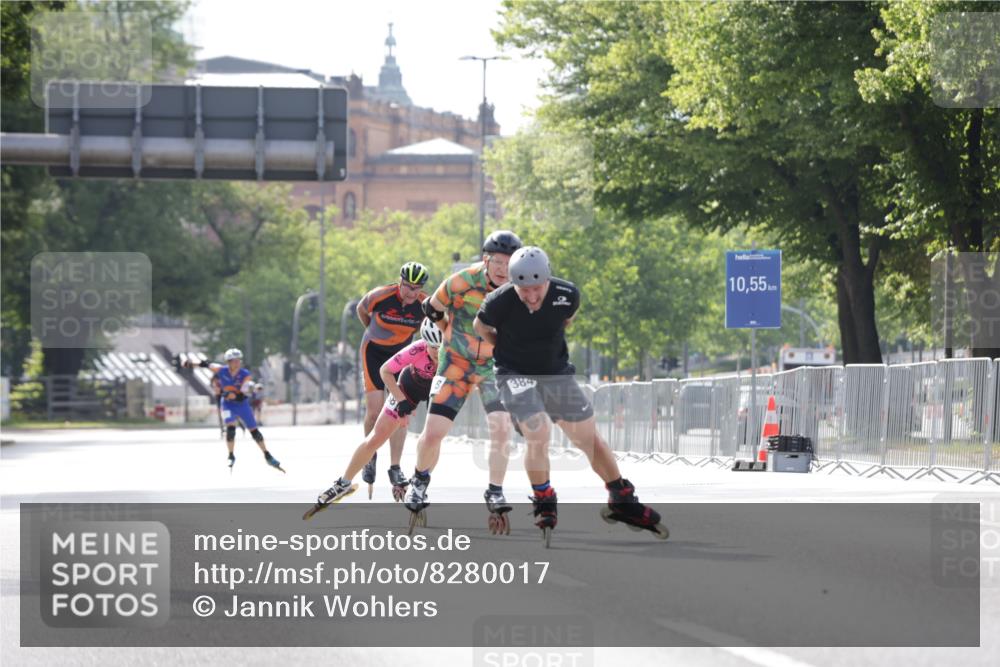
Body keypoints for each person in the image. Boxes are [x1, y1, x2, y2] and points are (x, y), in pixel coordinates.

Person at [472, 246, 668, 545]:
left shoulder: (567, 294)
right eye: (524, 290)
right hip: (514, 373)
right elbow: (480, 326)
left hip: (555, 372)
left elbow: (566, 320)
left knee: (589, 439)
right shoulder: (498, 302)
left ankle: (621, 498)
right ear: (513, 284)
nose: (532, 296)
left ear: (548, 279)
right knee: (538, 430)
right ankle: (544, 498)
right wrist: (504, 349)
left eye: (537, 289)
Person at [403, 231, 520, 535]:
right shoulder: (462, 282)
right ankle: (419, 480)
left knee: (502, 428)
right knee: (433, 434)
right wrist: (447, 333)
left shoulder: (519, 289)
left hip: (495, 366)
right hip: (456, 363)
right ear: (486, 260)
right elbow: (431, 307)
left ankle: (495, 490)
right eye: (497, 261)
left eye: (508, 262)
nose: (502, 268)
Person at [303, 318, 444, 519]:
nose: (438, 354)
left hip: (438, 390)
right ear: (425, 342)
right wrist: (400, 399)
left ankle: (420, 484)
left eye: (442, 348)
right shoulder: (417, 349)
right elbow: (385, 371)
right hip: (409, 387)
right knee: (376, 438)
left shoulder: (455, 353)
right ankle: (343, 483)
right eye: (433, 348)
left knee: (434, 438)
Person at [356, 262, 430, 491]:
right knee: (375, 410)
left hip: (401, 356)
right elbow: (361, 309)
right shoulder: (381, 295)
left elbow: (429, 330)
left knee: (402, 409)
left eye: (416, 289)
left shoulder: (424, 304)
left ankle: (395, 467)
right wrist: (373, 331)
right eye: (407, 287)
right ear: (399, 282)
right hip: (373, 352)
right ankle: (370, 456)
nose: (411, 293)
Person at [184, 348, 283, 472]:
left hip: (242, 404)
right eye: (234, 361)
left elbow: (244, 392)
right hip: (227, 404)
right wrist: (190, 364)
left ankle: (267, 455)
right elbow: (205, 364)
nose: (237, 363)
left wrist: (234, 394)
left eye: (239, 360)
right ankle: (231, 455)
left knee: (254, 431)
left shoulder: (245, 374)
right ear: (228, 362)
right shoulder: (221, 370)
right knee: (231, 429)